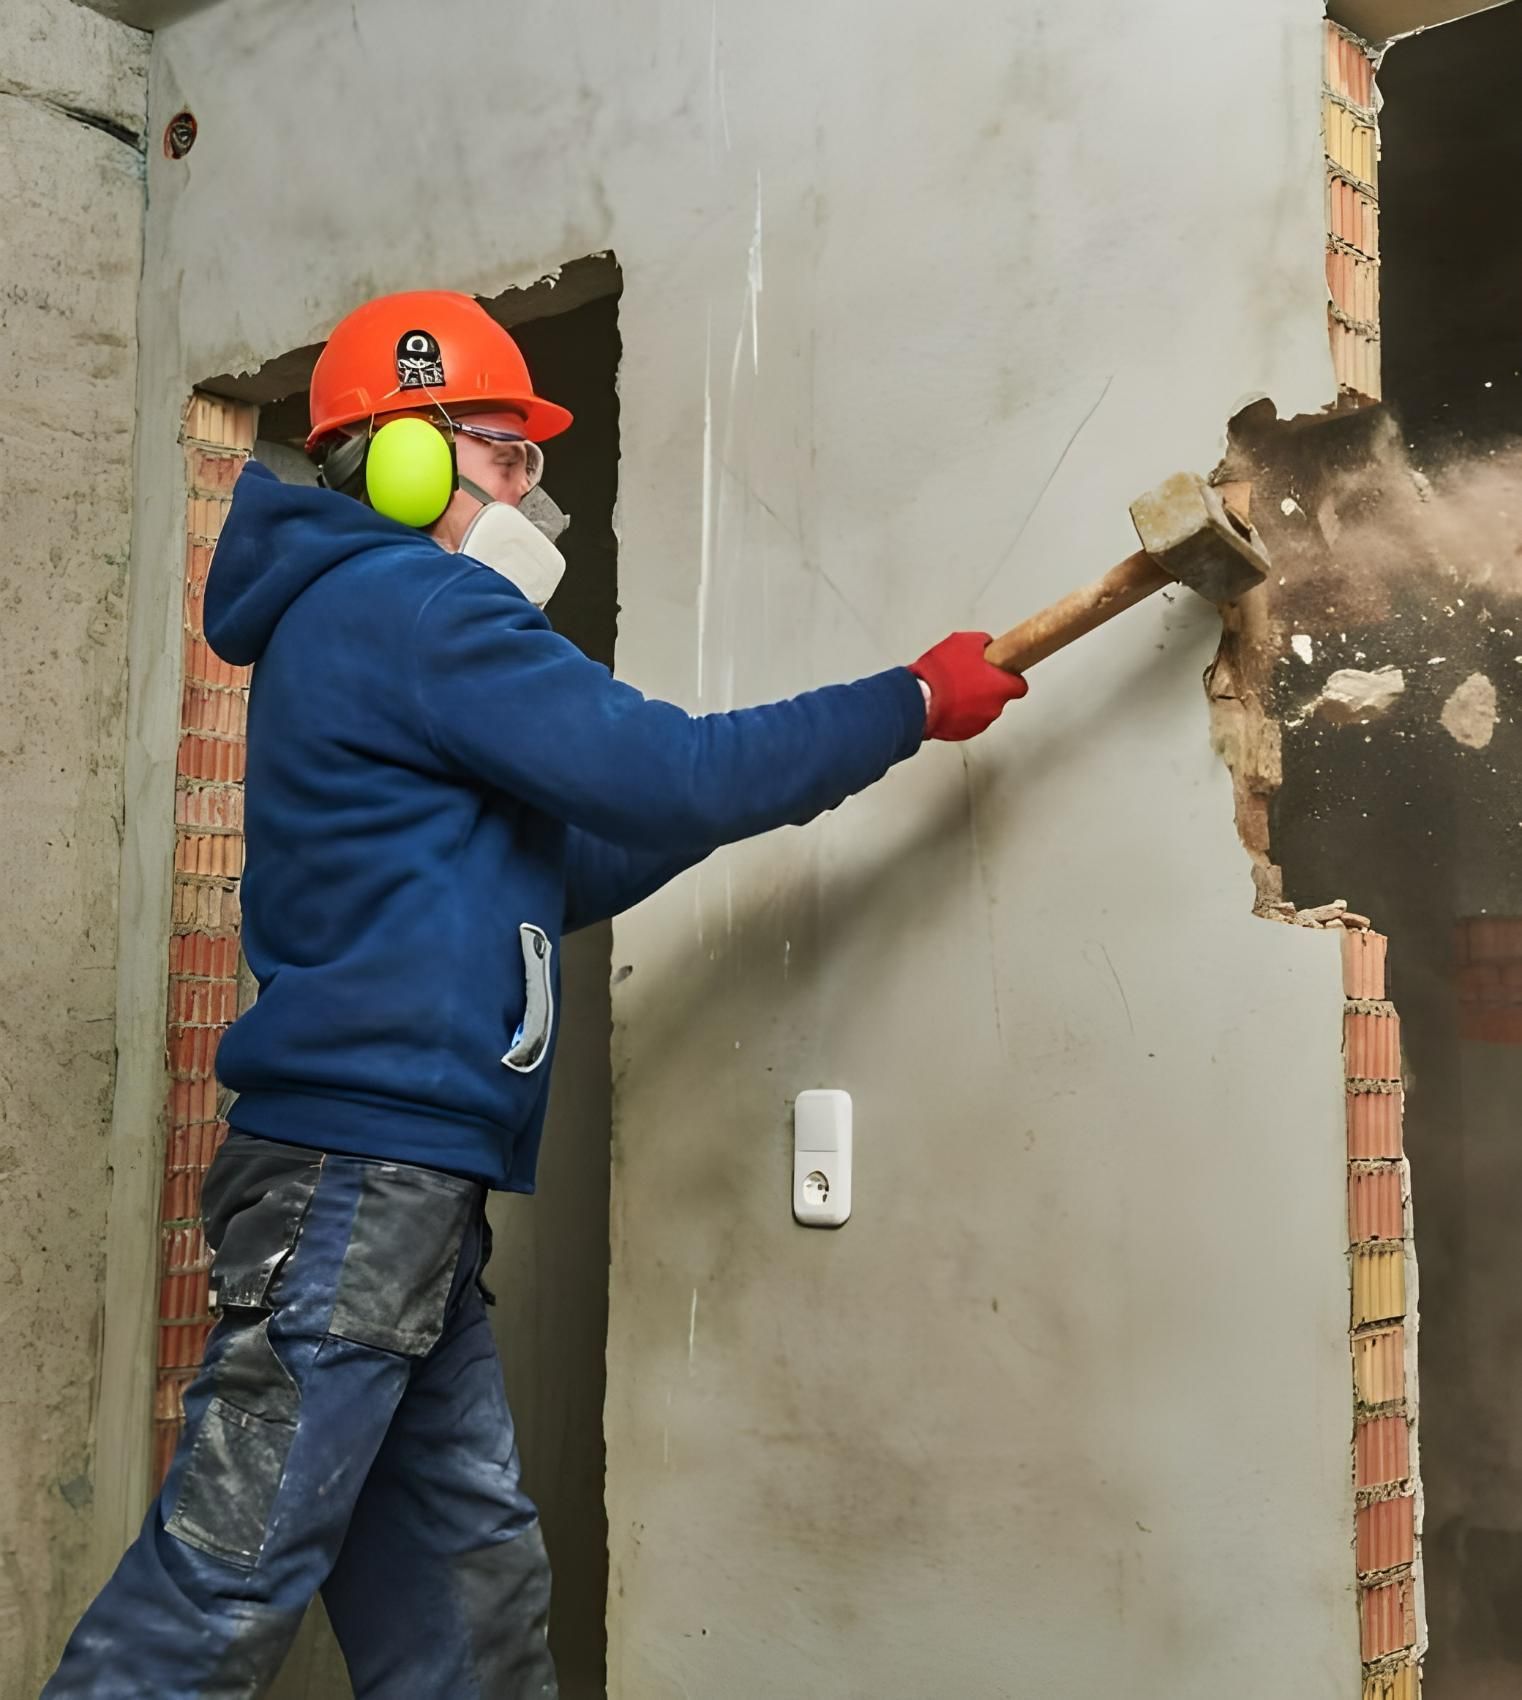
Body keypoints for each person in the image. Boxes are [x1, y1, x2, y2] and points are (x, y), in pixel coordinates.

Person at [44, 290, 1027, 1699]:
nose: (530, 493)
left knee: (469, 1601)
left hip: (406, 1190)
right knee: (224, 1583)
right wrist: (905, 704)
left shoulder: (367, 627)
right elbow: (669, 772)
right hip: (357, 1180)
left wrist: (738, 785)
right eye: (509, 456)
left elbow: (573, 862)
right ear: (405, 455)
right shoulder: (413, 603)